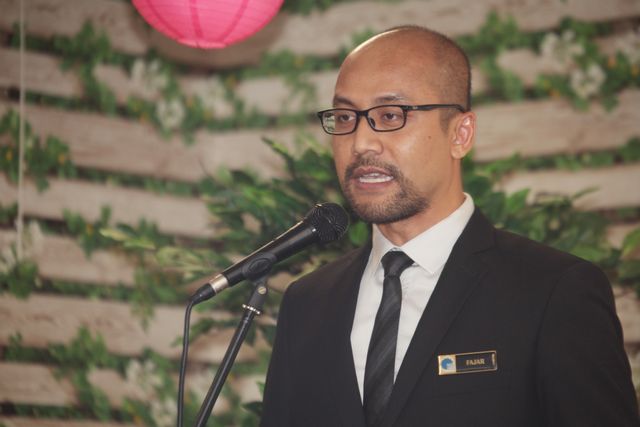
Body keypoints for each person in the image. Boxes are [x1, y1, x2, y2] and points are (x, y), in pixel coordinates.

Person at [260, 26, 639, 427]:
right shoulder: (308, 303)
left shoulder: (554, 291)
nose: (361, 143)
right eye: (344, 117)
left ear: (461, 134)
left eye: (390, 116)